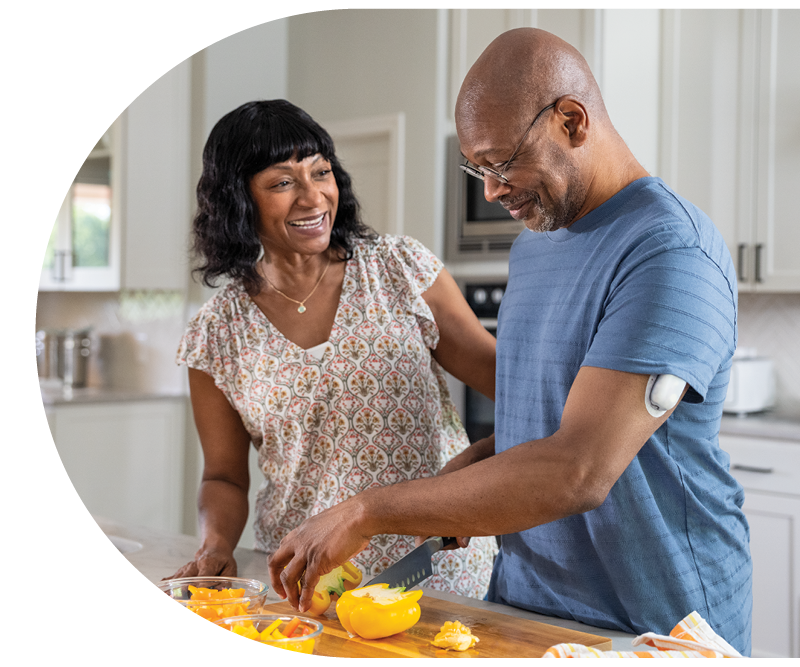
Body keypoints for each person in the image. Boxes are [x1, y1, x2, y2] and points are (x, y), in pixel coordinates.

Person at [267, 29, 752, 656]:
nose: (492, 190)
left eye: (501, 162)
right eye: (478, 169)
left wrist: (369, 510)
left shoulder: (668, 250)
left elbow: (579, 469)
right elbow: (551, 414)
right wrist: (483, 470)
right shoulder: (532, 247)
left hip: (656, 624)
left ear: (571, 121)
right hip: (526, 606)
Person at [169, 99, 498, 600]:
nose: (312, 197)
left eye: (320, 173)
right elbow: (223, 477)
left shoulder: (399, 269)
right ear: (239, 200)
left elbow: (508, 382)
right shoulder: (216, 334)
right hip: (309, 580)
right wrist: (216, 544)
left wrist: (488, 458)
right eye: (282, 182)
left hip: (439, 566)